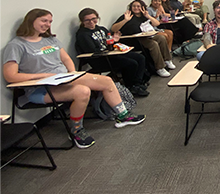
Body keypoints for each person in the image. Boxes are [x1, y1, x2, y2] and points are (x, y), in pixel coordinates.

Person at [3, 9, 146, 149]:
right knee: (82, 91)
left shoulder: (51, 39)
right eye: (44, 20)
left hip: (63, 79)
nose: (47, 24)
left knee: (106, 81)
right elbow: (11, 76)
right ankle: (77, 131)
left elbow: (65, 58)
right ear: (31, 20)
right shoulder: (16, 45)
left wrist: (72, 73)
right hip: (41, 88)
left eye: (50, 21)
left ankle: (123, 115)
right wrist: (43, 76)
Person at [76, 8, 150, 97]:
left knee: (140, 58)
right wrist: (110, 46)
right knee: (131, 63)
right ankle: (130, 86)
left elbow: (110, 42)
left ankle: (137, 83)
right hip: (100, 59)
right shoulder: (82, 34)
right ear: (82, 21)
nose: (91, 22)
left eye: (93, 19)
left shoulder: (102, 29)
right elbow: (92, 50)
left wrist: (115, 41)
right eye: (87, 20)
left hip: (112, 54)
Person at [112, 0, 175, 78]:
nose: (136, 8)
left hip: (145, 37)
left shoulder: (143, 16)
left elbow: (157, 23)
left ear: (142, 7)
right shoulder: (127, 16)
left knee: (161, 37)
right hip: (132, 39)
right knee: (153, 44)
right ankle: (160, 67)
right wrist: (125, 20)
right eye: (134, 6)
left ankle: (167, 60)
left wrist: (148, 16)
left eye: (138, 6)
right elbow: (113, 29)